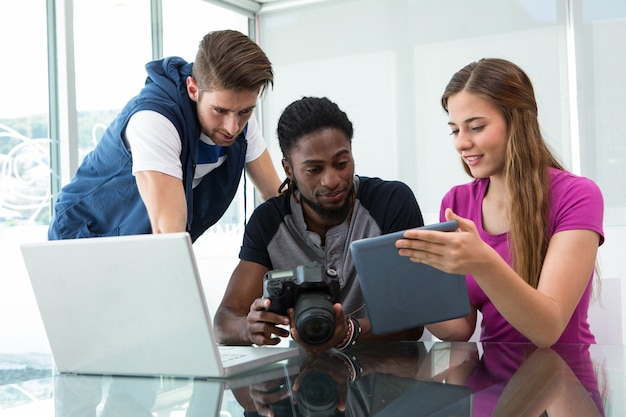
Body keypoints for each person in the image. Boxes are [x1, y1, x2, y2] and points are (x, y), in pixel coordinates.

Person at [395, 58, 605, 347]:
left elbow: (548, 329)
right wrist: (409, 291)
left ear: (518, 122)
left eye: (476, 127)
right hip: (492, 384)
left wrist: (482, 261)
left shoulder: (577, 195)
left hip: (563, 380)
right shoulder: (457, 201)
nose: (461, 143)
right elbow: (459, 328)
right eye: (455, 130)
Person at [213, 96, 425, 353]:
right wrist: (248, 327)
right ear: (289, 170)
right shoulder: (269, 222)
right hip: (308, 376)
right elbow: (224, 320)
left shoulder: (390, 203)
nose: (332, 180)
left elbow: (414, 320)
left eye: (341, 164)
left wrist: (348, 332)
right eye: (314, 170)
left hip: (392, 375)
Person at [48, 30, 281, 242]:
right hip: (82, 236)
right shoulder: (154, 120)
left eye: (245, 111)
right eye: (219, 111)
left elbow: (276, 196)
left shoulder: (240, 117)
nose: (232, 127)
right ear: (193, 89)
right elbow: (169, 234)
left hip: (138, 240)